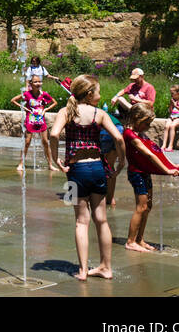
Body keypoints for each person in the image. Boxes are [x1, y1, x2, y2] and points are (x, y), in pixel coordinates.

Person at [48, 74, 125, 280]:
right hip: (98, 169)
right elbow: (118, 137)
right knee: (102, 220)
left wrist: (56, 159)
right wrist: (121, 161)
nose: (100, 96)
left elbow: (54, 135)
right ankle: (105, 268)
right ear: (90, 93)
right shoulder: (99, 114)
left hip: (75, 172)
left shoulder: (66, 112)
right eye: (98, 92)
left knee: (81, 222)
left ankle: (82, 270)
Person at [122, 102, 179, 252]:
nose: (148, 127)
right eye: (146, 123)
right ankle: (130, 241)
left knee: (148, 207)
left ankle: (140, 239)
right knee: (141, 207)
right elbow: (149, 155)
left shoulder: (140, 133)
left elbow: (157, 152)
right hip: (136, 174)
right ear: (137, 119)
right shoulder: (129, 134)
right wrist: (167, 171)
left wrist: (173, 166)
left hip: (144, 172)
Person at [11, 74, 59, 172]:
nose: (38, 83)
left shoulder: (44, 94)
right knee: (27, 142)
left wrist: (46, 109)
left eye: (39, 81)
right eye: (35, 82)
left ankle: (50, 164)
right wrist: (24, 108)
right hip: (31, 120)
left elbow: (55, 102)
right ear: (31, 84)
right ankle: (21, 163)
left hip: (41, 120)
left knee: (45, 142)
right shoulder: (27, 94)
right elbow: (13, 100)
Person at [162, 84, 179, 151]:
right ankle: (164, 145)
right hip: (173, 116)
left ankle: (170, 146)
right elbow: (170, 111)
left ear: (178, 93)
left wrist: (175, 106)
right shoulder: (173, 100)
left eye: (172, 93)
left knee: (172, 126)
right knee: (166, 126)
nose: (171, 95)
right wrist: (171, 105)